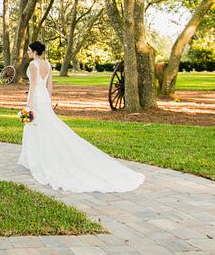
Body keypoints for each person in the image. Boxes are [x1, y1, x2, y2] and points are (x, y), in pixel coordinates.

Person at [17, 40, 145, 193]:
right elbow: (49, 85)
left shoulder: (33, 65)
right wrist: (48, 101)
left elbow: (33, 86)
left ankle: (38, 160)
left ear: (35, 52)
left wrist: (29, 104)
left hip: (37, 99)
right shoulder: (48, 64)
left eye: (29, 50)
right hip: (44, 98)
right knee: (46, 127)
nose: (27, 52)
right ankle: (33, 158)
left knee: (37, 127)